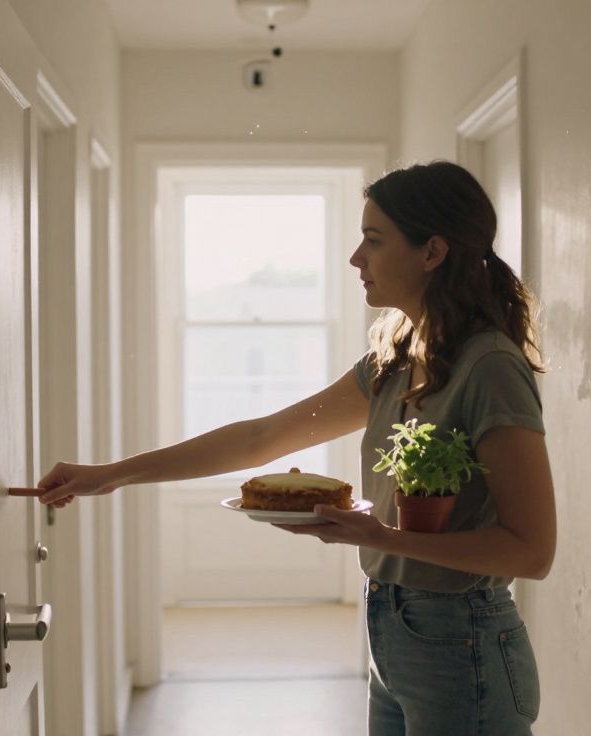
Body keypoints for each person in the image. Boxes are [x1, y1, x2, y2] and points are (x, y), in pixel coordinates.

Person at [36, 160, 555, 736]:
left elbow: (532, 551)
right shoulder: (398, 358)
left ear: (432, 252)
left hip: (463, 642)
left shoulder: (491, 367)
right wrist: (110, 475)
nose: (357, 258)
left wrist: (382, 537)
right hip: (393, 624)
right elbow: (263, 437)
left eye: (373, 241)